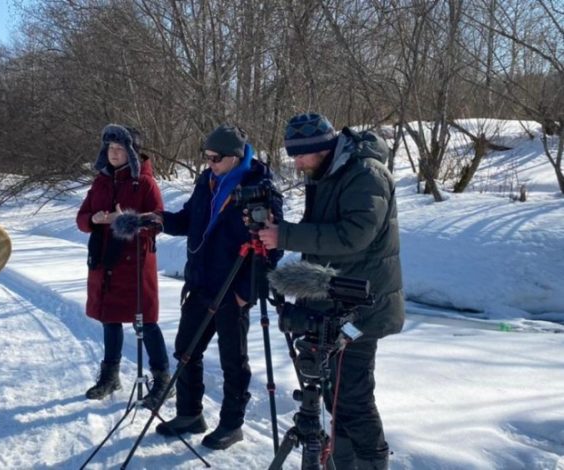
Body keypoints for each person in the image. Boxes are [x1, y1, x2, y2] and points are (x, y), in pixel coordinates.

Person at [256, 113, 405, 470]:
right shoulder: (331, 172)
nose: (297, 163)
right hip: (334, 299)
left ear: (322, 148)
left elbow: (355, 235)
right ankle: (341, 462)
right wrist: (280, 228)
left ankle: (369, 463)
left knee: (352, 397)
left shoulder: (366, 174)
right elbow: (326, 229)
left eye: (301, 155)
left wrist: (287, 235)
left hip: (362, 306)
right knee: (333, 396)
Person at [151, 124, 283, 450]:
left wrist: (246, 294)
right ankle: (189, 414)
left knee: (231, 361)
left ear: (235, 157)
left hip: (233, 288)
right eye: (206, 157)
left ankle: (231, 424)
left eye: (215, 158)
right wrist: (158, 219)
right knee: (185, 351)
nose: (209, 163)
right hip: (200, 282)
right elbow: (187, 220)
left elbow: (273, 249)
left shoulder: (261, 188)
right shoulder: (207, 182)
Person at [76, 124, 173, 409]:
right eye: (110, 149)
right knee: (110, 318)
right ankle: (110, 376)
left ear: (131, 152)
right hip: (104, 260)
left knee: (147, 321)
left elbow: (158, 220)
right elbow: (81, 219)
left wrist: (125, 220)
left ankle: (163, 379)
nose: (114, 154)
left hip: (135, 262)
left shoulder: (145, 183)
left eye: (119, 149)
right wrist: (95, 219)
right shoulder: (100, 182)